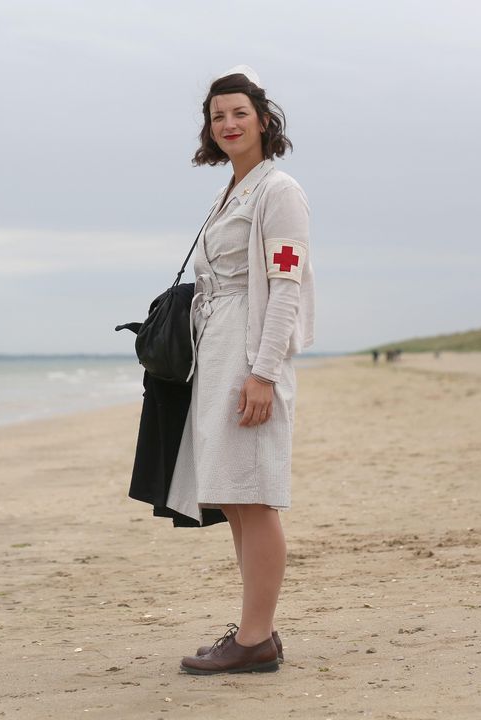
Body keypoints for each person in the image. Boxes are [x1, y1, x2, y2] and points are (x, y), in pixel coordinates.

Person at [168, 65, 315, 675]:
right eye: (217, 115)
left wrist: (263, 371)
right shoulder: (231, 191)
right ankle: (255, 632)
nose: (227, 123)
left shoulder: (279, 192)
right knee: (234, 495)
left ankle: (256, 639)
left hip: (249, 351)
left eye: (239, 113)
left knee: (253, 496)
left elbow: (286, 284)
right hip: (218, 348)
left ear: (263, 120)